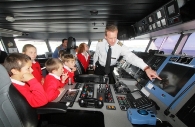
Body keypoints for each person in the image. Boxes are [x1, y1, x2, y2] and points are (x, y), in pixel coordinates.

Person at [93, 24, 161, 81]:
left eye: (115, 37)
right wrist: (94, 64)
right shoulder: (100, 43)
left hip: (110, 69)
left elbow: (130, 56)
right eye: (110, 38)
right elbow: (96, 54)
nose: (113, 41)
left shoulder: (120, 45)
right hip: (99, 67)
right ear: (105, 37)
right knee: (95, 84)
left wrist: (146, 68)